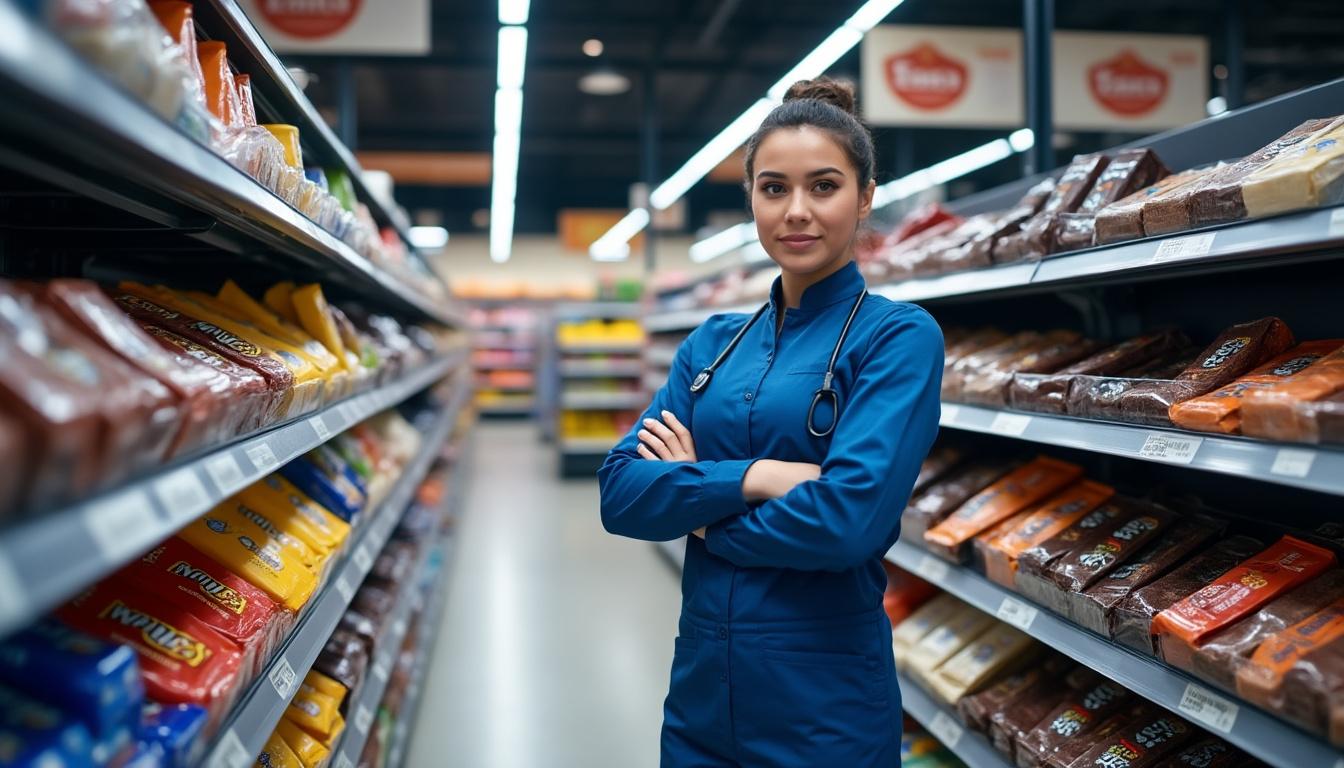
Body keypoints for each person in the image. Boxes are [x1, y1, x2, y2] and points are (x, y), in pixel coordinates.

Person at [598, 77, 943, 767]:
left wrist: (695, 507)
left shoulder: (896, 338)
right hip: (701, 700)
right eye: (774, 188)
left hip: (824, 711)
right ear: (751, 198)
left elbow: (847, 523)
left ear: (865, 195)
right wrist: (760, 477)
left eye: (823, 186)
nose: (796, 212)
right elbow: (621, 493)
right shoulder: (712, 343)